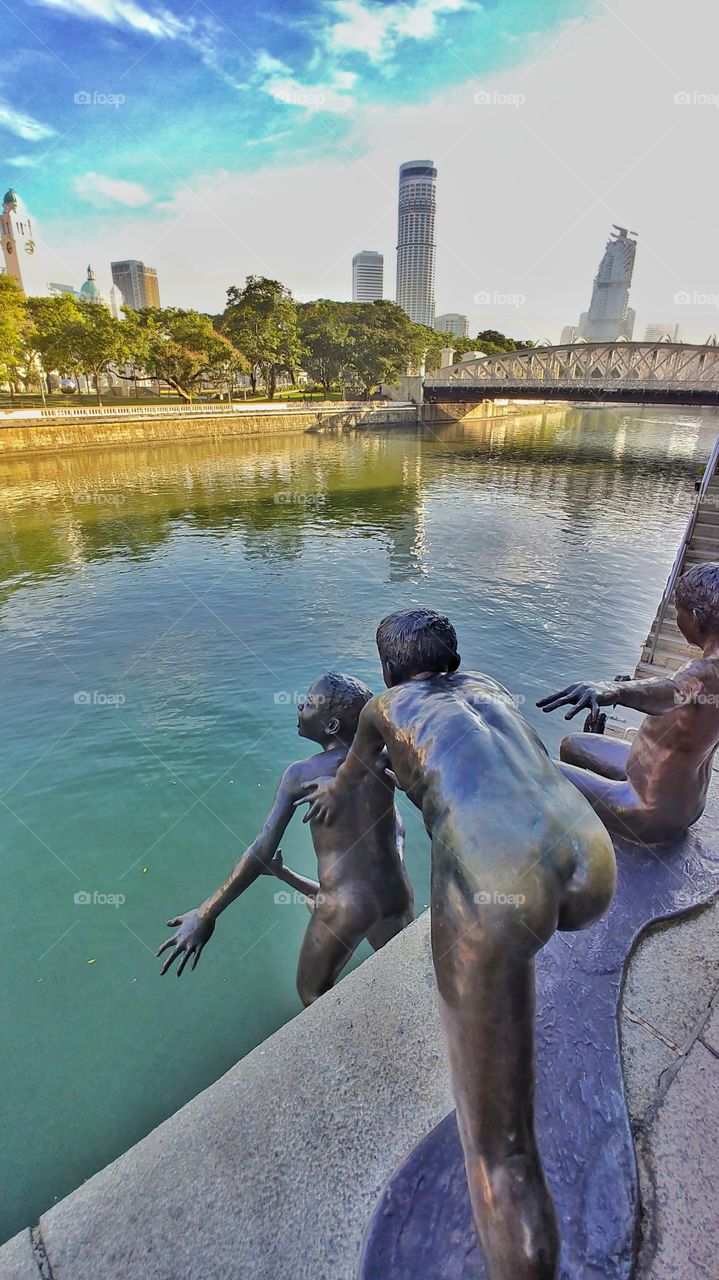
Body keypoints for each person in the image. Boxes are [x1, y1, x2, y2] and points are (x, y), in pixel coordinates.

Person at [301, 609, 615, 1280]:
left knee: (497, 1148)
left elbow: (353, 778)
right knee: (513, 950)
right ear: (453, 659)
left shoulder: (382, 707)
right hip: (590, 859)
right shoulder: (490, 686)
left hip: (500, 882)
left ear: (386, 672)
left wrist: (331, 791)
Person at [157, 671, 413, 1005]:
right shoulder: (382, 760)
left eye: (308, 703)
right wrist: (293, 878)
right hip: (396, 892)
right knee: (400, 966)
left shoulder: (300, 774)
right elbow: (397, 829)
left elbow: (262, 849)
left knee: (312, 993)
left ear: (332, 725)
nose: (299, 706)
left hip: (345, 906)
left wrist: (206, 914)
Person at [537, 562, 719, 845]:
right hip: (685, 797)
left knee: (536, 770)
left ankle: (571, 841)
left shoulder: (705, 672)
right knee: (573, 745)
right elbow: (682, 692)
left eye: (678, 610)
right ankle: (586, 805)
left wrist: (614, 690)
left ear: (695, 617)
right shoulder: (710, 669)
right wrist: (633, 687)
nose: (676, 616)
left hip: (649, 811)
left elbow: (672, 690)